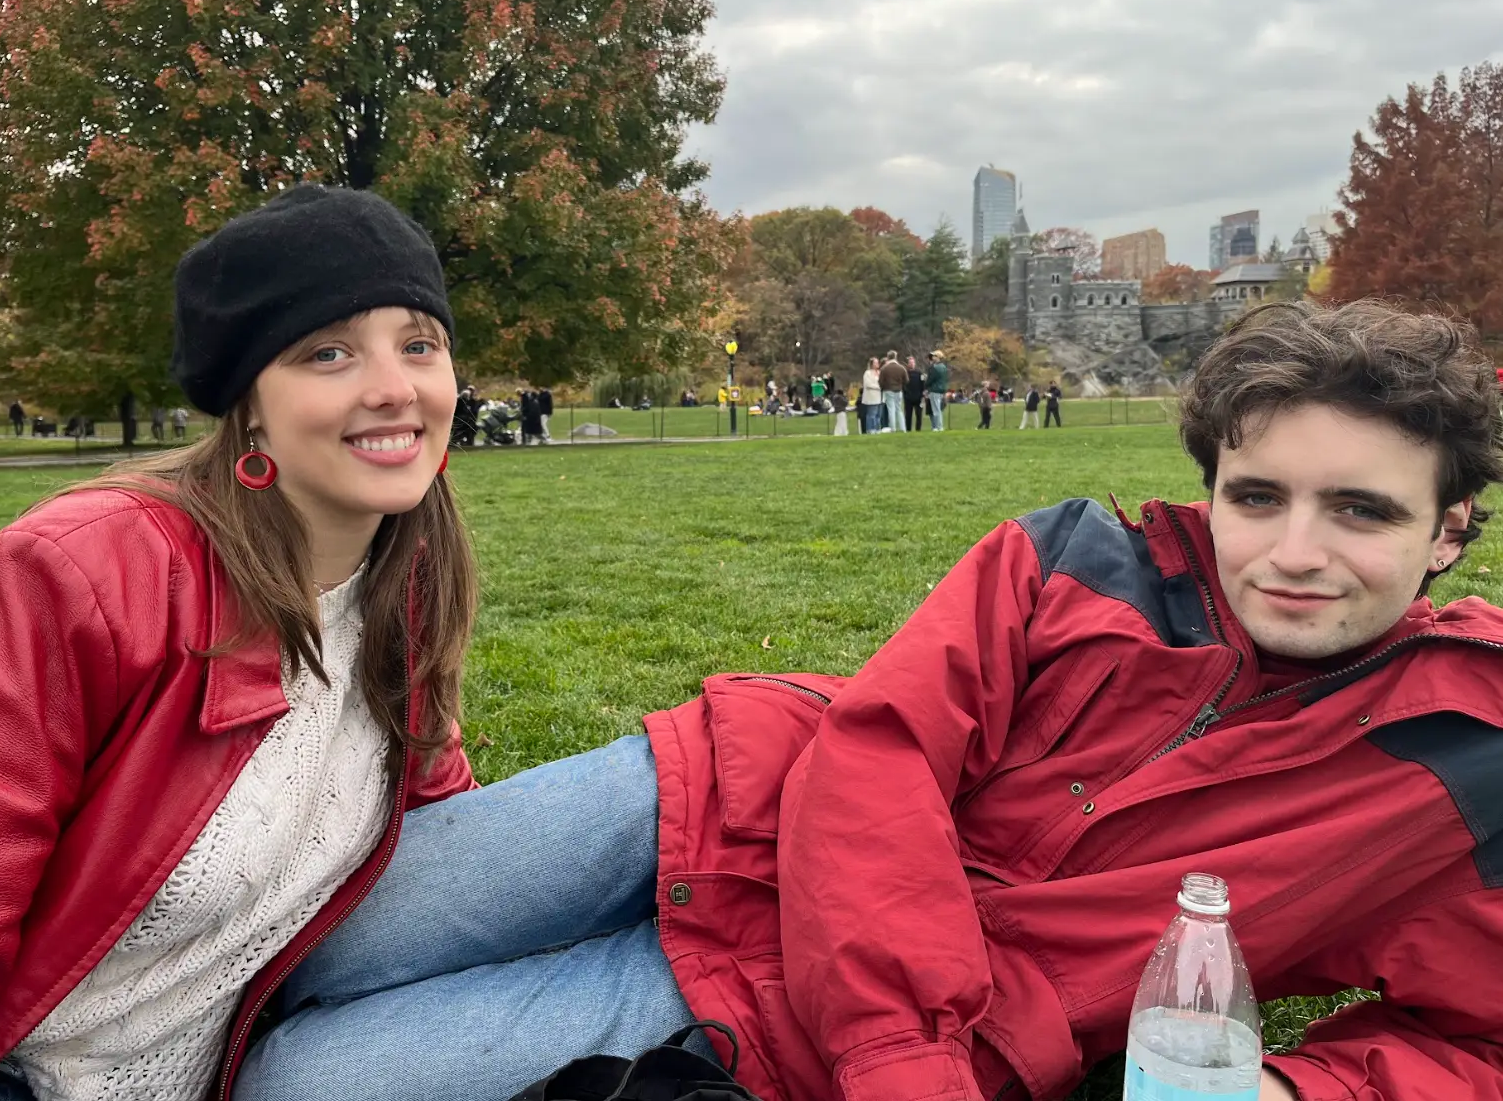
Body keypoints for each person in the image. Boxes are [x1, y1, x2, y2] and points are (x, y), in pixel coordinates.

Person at [220, 298, 1503, 1101]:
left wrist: (1288, 1086)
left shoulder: (1470, 754)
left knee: (296, 1076)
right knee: (287, 933)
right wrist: (905, 1068)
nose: (1292, 552)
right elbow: (875, 758)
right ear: (1211, 483)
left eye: (1360, 511)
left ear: (1449, 530)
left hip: (802, 1000)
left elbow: (1474, 1042)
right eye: (1257, 496)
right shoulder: (1077, 558)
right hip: (724, 799)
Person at [0, 184, 481, 1101]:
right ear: (248, 406)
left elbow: (449, 824)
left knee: (660, 836)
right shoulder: (82, 573)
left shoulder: (404, 575)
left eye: (419, 344)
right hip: (34, 1080)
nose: (393, 388)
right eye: (327, 352)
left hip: (268, 1045)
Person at [879, 349, 907, 432]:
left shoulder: (884, 368)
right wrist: (900, 384)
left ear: (888, 357)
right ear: (895, 357)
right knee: (899, 409)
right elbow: (906, 380)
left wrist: (884, 387)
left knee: (891, 409)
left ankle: (893, 428)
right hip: (898, 390)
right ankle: (903, 428)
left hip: (888, 390)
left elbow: (880, 381)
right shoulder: (901, 368)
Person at [926, 350, 949, 431]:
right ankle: (939, 426)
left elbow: (930, 380)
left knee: (936, 410)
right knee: (938, 409)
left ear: (938, 357)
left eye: (934, 356)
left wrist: (926, 385)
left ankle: (938, 427)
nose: (933, 357)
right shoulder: (944, 367)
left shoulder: (935, 368)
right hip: (942, 390)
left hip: (935, 390)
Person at [859, 356, 883, 434]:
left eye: (878, 362)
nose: (877, 364)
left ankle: (877, 429)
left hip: (880, 397)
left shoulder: (879, 372)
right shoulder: (867, 373)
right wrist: (878, 387)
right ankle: (870, 429)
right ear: (872, 364)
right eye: (875, 363)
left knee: (878, 415)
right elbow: (867, 384)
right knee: (871, 414)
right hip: (871, 397)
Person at [903, 356, 925, 433]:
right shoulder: (905, 373)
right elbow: (903, 385)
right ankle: (908, 429)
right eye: (910, 363)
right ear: (907, 364)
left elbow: (923, 384)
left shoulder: (920, 373)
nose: (912, 364)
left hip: (918, 397)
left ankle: (918, 430)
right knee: (908, 415)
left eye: (913, 363)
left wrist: (923, 395)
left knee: (919, 415)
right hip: (908, 398)